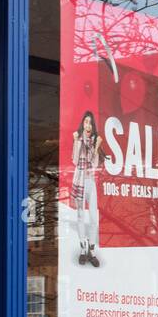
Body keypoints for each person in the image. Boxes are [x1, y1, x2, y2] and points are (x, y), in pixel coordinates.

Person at [72, 110, 103, 267]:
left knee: (93, 218)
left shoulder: (94, 141)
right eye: (86, 122)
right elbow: (75, 160)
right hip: (79, 179)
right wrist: (77, 142)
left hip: (90, 180)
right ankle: (83, 250)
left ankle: (92, 251)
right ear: (82, 124)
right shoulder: (78, 139)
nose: (88, 125)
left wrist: (96, 147)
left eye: (90, 122)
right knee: (80, 216)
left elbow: (95, 163)